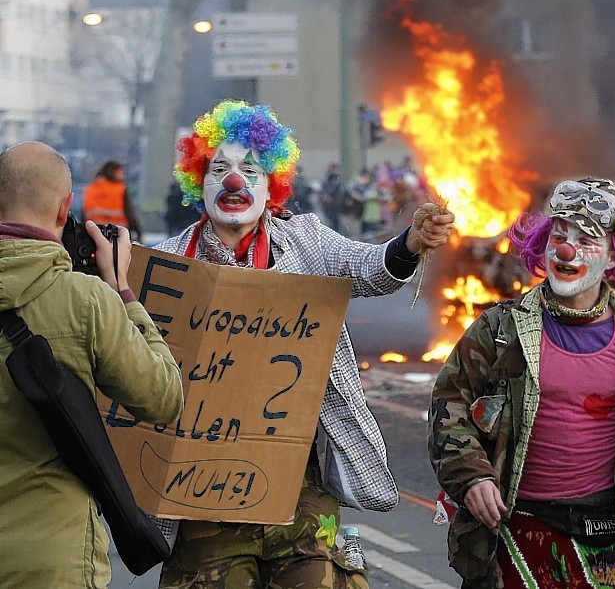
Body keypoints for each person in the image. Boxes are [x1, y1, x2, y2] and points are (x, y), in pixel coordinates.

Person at [154, 100, 455, 589]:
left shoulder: (304, 241)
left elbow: (366, 268)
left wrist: (410, 244)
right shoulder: (168, 264)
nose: (234, 181)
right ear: (198, 180)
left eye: (250, 170)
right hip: (204, 488)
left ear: (272, 184)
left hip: (300, 480)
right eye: (219, 169)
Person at [428, 177, 615, 589]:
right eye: (559, 235)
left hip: (611, 539)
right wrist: (472, 476)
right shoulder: (501, 329)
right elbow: (449, 405)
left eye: (586, 240)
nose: (567, 250)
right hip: (516, 534)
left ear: (611, 259)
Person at [0, 141, 184, 588]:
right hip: (52, 558)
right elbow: (164, 398)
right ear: (65, 212)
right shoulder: (86, 301)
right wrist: (122, 291)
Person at [82, 159, 143, 241]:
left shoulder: (90, 189)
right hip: (118, 235)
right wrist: (139, 232)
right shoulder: (120, 189)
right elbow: (129, 212)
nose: (124, 176)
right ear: (114, 172)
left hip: (93, 236)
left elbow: (84, 214)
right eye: (121, 173)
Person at [319, 162, 346, 234]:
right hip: (328, 206)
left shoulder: (339, 180)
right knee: (330, 222)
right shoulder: (327, 180)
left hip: (337, 206)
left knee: (336, 223)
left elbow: (340, 192)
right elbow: (323, 191)